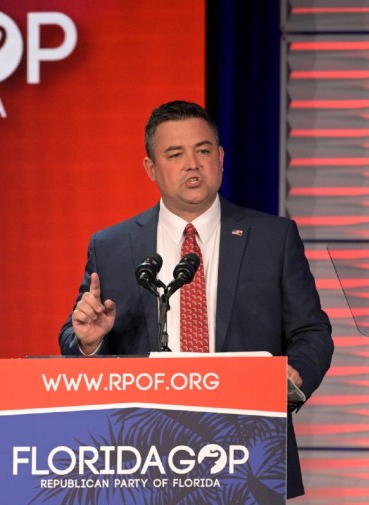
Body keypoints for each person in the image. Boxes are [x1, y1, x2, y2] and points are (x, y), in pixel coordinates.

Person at [58, 100, 334, 498]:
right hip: (142, 456)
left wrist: (292, 375)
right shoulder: (112, 246)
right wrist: (90, 341)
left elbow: (312, 331)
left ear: (220, 158)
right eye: (175, 154)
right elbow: (75, 334)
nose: (192, 163)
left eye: (203, 151)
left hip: (249, 449)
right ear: (151, 168)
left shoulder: (273, 238)